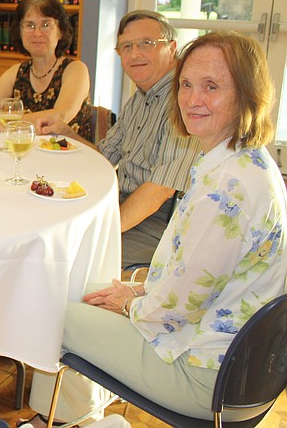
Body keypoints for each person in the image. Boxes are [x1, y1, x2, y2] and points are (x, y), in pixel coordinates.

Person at [23, 30, 287, 427]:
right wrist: (139, 290)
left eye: (211, 87)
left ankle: (63, 419)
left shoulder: (227, 188)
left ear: (246, 94)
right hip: (239, 364)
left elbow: (175, 308)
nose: (192, 99)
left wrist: (130, 304)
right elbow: (203, 276)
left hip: (206, 376)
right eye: (186, 85)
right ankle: (68, 416)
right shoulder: (247, 161)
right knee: (91, 295)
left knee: (47, 311)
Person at [37, 10, 200, 268]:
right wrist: (67, 134)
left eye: (146, 43)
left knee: (64, 258)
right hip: (121, 203)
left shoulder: (183, 102)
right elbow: (104, 157)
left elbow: (160, 190)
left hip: (158, 224)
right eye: (126, 47)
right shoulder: (139, 99)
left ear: (171, 48)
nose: (135, 54)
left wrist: (105, 229)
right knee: (47, 229)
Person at [0, 0, 92, 139]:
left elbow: (61, 115)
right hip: (29, 148)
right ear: (20, 31)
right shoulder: (16, 72)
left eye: (45, 25)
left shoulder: (76, 69)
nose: (37, 33)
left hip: (69, 149)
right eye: (30, 25)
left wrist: (7, 123)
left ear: (60, 31)